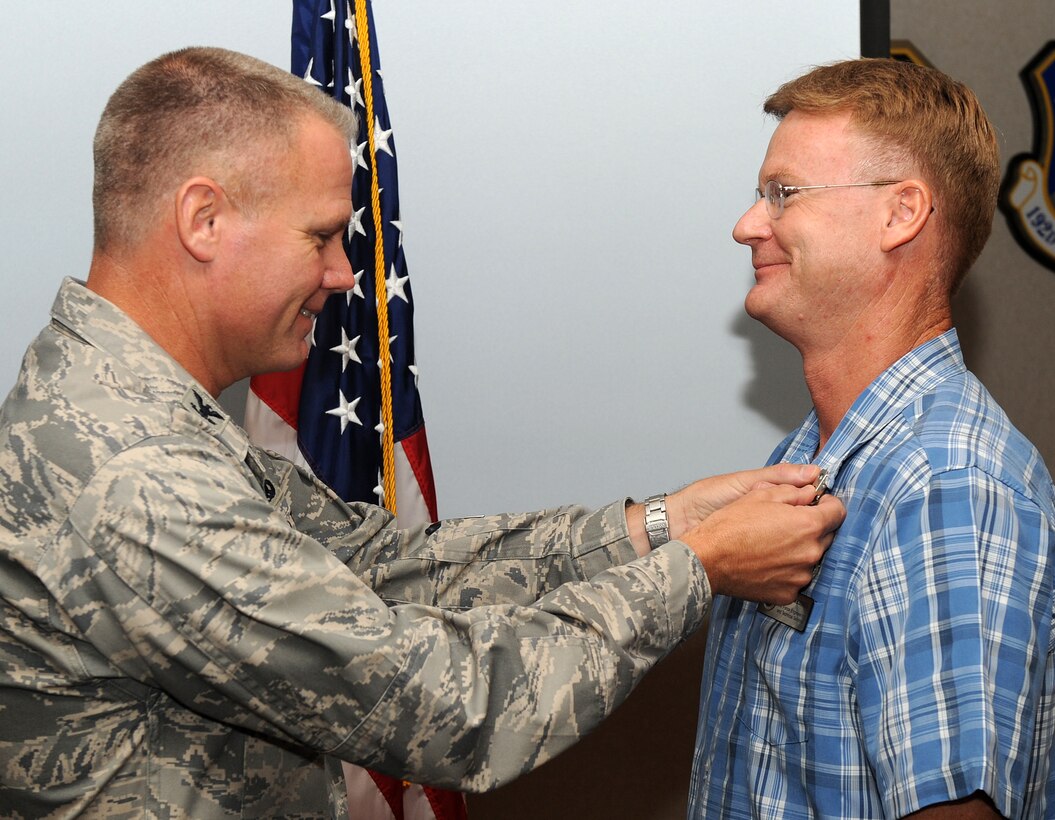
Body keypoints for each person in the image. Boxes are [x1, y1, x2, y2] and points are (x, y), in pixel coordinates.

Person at [0, 47, 844, 818]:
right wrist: (695, 571)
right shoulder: (137, 473)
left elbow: (382, 569)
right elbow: (449, 706)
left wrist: (662, 524)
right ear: (204, 220)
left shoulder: (138, 412)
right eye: (322, 235)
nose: (339, 274)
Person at [688, 58, 1055, 819]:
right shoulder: (808, 456)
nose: (747, 224)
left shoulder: (945, 482)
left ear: (900, 214)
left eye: (782, 194)